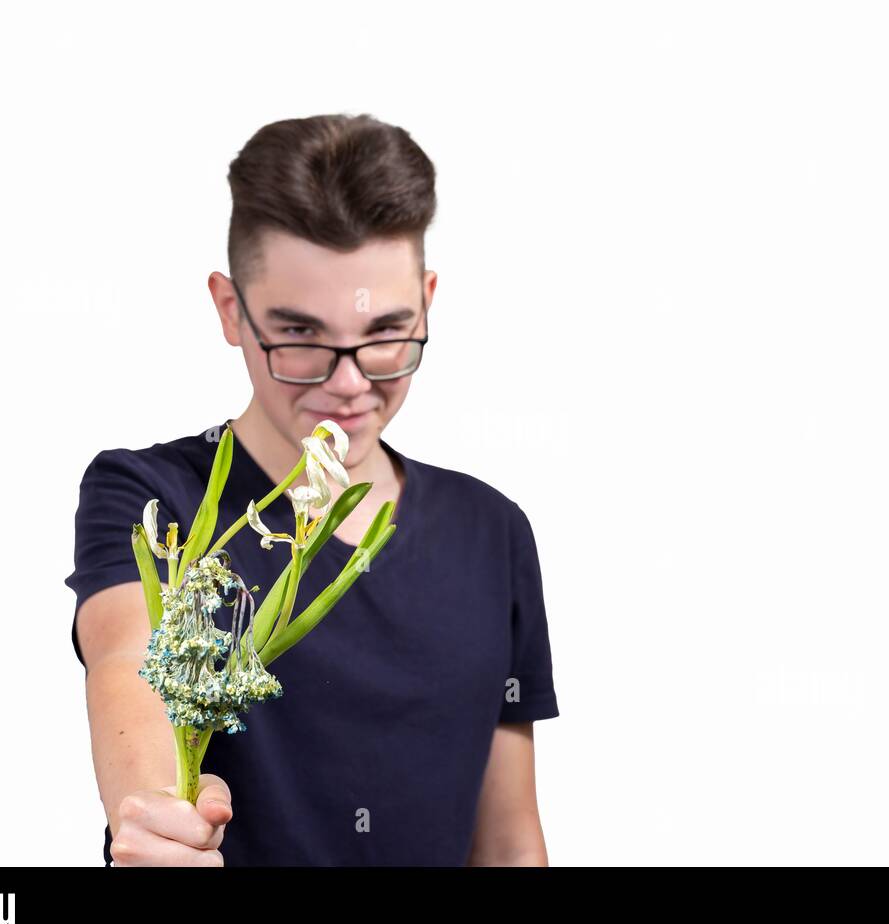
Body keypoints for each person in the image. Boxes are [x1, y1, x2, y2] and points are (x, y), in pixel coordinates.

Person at [64, 114, 559, 866]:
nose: (350, 383)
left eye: (387, 334)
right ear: (232, 311)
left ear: (427, 301)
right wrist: (156, 815)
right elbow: (130, 658)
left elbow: (509, 837)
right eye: (300, 338)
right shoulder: (153, 496)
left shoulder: (492, 530)